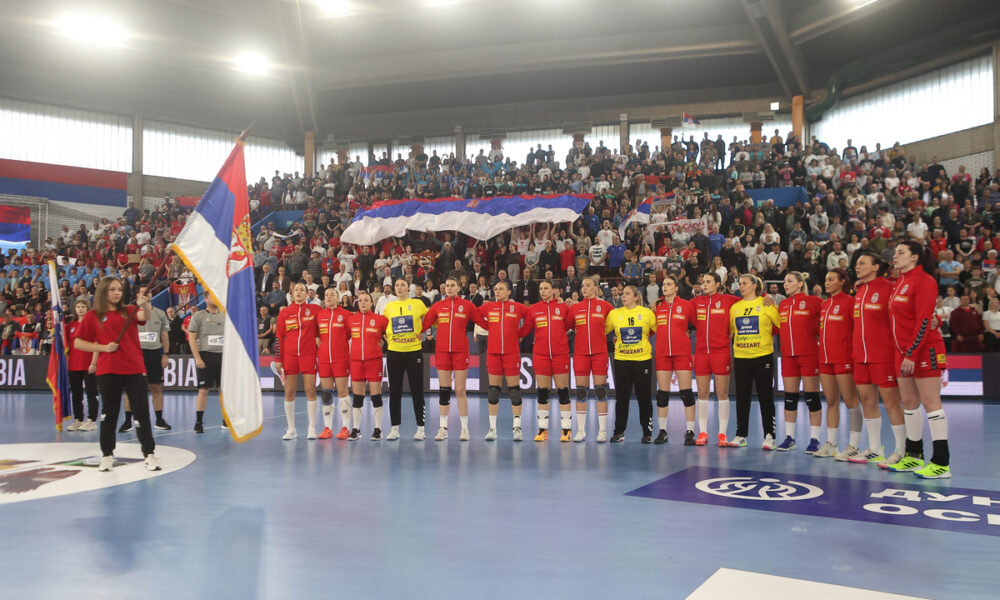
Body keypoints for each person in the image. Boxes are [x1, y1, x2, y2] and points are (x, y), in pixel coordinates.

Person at [73, 276, 160, 472]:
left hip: (134, 369)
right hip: (108, 370)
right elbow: (78, 342)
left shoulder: (129, 310)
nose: (116, 293)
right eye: (112, 289)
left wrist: (145, 305)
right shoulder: (93, 316)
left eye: (119, 289)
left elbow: (144, 317)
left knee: (142, 413)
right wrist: (104, 348)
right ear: (103, 291)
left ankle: (149, 454)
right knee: (108, 414)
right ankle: (107, 455)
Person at [886, 241, 952, 478]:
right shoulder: (899, 282)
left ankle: (941, 463)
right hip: (902, 352)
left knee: (931, 403)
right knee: (909, 402)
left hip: (924, 350)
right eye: (895, 252)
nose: (895, 256)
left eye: (900, 252)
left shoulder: (925, 281)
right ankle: (914, 456)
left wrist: (911, 353)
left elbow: (924, 320)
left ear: (914, 257)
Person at [852, 251, 906, 466]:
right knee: (867, 400)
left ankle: (901, 450)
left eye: (862, 263)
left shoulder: (889, 288)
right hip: (860, 355)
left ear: (875, 267)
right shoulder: (859, 290)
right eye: (857, 263)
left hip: (883, 355)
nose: (857, 266)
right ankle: (875, 449)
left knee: (892, 403)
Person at [422, 278, 479, 441]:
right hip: (442, 352)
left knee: (460, 390)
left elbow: (482, 320)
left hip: (460, 352)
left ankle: (465, 429)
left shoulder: (467, 305)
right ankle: (443, 428)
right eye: (447, 286)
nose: (449, 288)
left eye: (452, 285)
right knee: (444, 390)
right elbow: (425, 324)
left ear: (459, 288)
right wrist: (414, 332)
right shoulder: (437, 306)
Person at [729, 274, 780, 449]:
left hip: (762, 356)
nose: (741, 286)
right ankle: (741, 435)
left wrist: (770, 299)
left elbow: (780, 324)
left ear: (754, 285)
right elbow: (732, 331)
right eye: (740, 283)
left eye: (744, 283)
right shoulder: (735, 307)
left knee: (766, 396)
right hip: (741, 357)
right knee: (742, 397)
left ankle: (769, 435)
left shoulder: (766, 303)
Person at [816, 269, 863, 458]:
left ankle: (854, 445)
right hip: (825, 359)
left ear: (842, 281)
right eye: (826, 279)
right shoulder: (825, 304)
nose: (827, 282)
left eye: (831, 279)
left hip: (844, 359)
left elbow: (858, 330)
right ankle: (831, 444)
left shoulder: (850, 302)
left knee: (851, 401)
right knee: (831, 401)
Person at [519, 280, 572, 442]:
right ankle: (542, 430)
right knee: (542, 392)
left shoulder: (564, 308)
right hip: (540, 355)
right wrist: (509, 332)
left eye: (546, 288)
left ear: (554, 290)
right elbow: (525, 329)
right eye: (541, 288)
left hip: (560, 355)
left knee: (563, 391)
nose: (543, 291)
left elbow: (568, 326)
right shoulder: (533, 309)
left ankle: (566, 430)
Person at [776, 272, 822, 452]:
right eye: (784, 281)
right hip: (788, 356)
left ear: (800, 284)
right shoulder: (783, 304)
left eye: (790, 281)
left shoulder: (814, 301)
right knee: (790, 398)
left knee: (812, 398)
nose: (785, 284)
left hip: (809, 355)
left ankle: (815, 440)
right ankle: (789, 438)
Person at [691, 272, 738, 446]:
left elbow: (750, 300)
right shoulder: (696, 302)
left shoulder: (728, 300)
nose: (704, 284)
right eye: (703, 282)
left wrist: (766, 297)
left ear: (718, 284)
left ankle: (722, 434)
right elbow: (679, 306)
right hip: (701, 353)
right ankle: (703, 432)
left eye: (708, 282)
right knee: (702, 393)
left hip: (721, 352)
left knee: (722, 393)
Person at [478, 280, 529, 441]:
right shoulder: (488, 307)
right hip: (493, 354)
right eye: (495, 289)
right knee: (493, 391)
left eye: (501, 289)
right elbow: (474, 315)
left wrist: (520, 333)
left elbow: (532, 316)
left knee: (514, 391)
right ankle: (492, 429)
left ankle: (517, 428)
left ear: (509, 292)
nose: (497, 291)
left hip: (511, 354)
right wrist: (488, 327)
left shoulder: (517, 307)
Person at [605, 286, 655, 443]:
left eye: (627, 294)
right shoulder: (614, 313)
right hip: (622, 360)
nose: (623, 296)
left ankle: (647, 433)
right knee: (622, 398)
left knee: (644, 397)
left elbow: (656, 329)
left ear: (635, 297)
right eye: (623, 293)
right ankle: (619, 432)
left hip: (642, 360)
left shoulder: (647, 313)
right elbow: (603, 330)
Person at [567, 276, 613, 442]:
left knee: (601, 391)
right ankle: (581, 430)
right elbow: (567, 326)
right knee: (581, 391)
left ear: (596, 288)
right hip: (580, 354)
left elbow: (614, 324)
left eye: (588, 285)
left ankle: (602, 431)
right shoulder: (575, 308)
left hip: (600, 353)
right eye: (583, 286)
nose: (584, 288)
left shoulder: (606, 306)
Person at [383, 278, 429, 441]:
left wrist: (424, 332)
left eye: (403, 285)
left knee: (417, 390)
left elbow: (431, 318)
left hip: (414, 351)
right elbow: (383, 325)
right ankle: (394, 428)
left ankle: (421, 429)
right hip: (394, 352)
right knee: (395, 391)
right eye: (397, 285)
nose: (400, 287)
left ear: (409, 288)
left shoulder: (418, 303)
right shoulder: (389, 306)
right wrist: (384, 337)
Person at [652, 275, 696, 444]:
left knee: (686, 393)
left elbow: (697, 323)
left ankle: (690, 431)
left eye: (669, 284)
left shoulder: (686, 305)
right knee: (662, 394)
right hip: (663, 354)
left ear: (676, 287)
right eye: (663, 284)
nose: (665, 286)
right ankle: (662, 431)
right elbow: (651, 327)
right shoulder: (658, 306)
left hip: (682, 353)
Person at [274, 282, 320, 440]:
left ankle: (312, 428)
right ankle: (291, 429)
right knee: (289, 392)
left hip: (308, 355)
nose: (299, 292)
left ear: (307, 294)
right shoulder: (285, 313)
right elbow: (279, 337)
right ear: (292, 294)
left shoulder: (315, 310)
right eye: (296, 290)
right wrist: (278, 359)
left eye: (302, 290)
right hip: (290, 357)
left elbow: (323, 329)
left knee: (310, 390)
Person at [346, 291, 389, 441]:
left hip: (374, 361)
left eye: (366, 300)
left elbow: (390, 336)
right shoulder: (351, 320)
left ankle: (378, 429)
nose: (363, 303)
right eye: (360, 300)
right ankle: (356, 429)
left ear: (372, 303)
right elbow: (344, 337)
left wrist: (384, 345)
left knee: (376, 396)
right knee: (358, 397)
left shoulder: (381, 320)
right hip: (356, 361)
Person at [131, 289, 171, 432]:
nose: (145, 294)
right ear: (137, 295)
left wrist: (165, 354)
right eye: (142, 292)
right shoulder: (131, 312)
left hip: (154, 353)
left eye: (148, 292)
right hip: (135, 354)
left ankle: (159, 420)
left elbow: (164, 335)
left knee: (156, 387)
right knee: (131, 389)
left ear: (151, 295)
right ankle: (128, 421)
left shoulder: (160, 313)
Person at [316, 288, 353, 439]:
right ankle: (327, 428)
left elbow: (351, 335)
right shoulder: (319, 315)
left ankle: (345, 427)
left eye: (332, 294)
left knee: (343, 392)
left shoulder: (347, 315)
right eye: (326, 295)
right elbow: (316, 335)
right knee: (326, 393)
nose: (329, 297)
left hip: (340, 358)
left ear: (338, 298)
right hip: (324, 358)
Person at [186, 296, 226, 434]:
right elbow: (191, 337)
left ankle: (226, 420)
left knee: (223, 390)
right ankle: (198, 422)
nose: (215, 298)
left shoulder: (225, 316)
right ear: (205, 299)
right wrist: (197, 358)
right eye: (211, 296)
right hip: (206, 356)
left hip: (223, 356)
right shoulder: (198, 316)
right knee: (203, 389)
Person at [64, 298, 98, 431]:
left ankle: (91, 420)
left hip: (89, 364)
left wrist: (94, 363)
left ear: (88, 309)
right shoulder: (70, 326)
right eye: (78, 307)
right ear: (74, 309)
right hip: (74, 365)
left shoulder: (93, 325)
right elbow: (66, 346)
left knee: (91, 392)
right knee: (76, 394)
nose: (80, 309)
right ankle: (78, 419)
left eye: (83, 307)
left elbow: (96, 344)